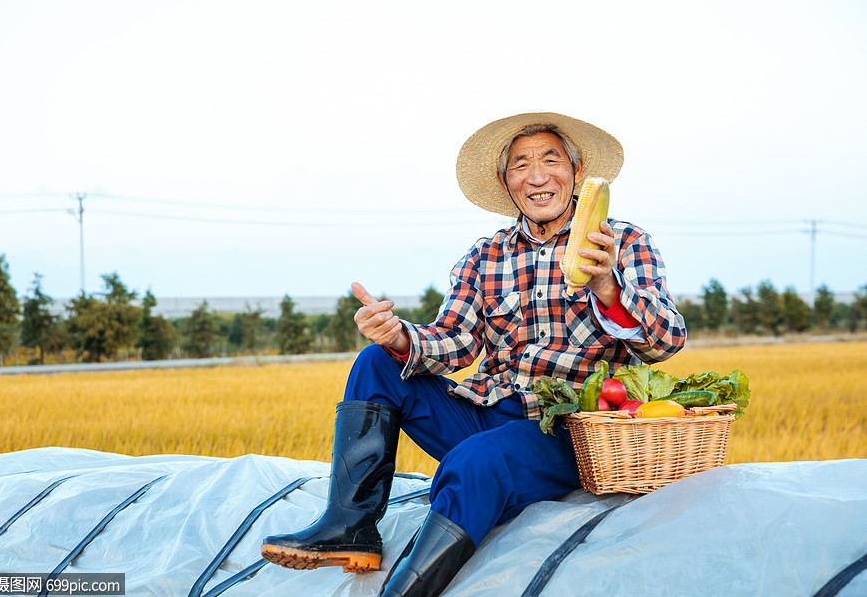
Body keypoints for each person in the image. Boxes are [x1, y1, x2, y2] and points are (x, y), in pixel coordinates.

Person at [260, 112, 686, 597]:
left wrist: (607, 284)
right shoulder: (485, 256)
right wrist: (397, 334)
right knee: (377, 362)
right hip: (493, 410)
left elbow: (665, 342)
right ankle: (350, 525)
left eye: (551, 159)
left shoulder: (622, 242)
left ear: (577, 169)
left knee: (476, 463)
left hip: (572, 432)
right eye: (522, 164)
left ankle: (404, 591)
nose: (538, 174)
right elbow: (454, 341)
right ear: (506, 183)